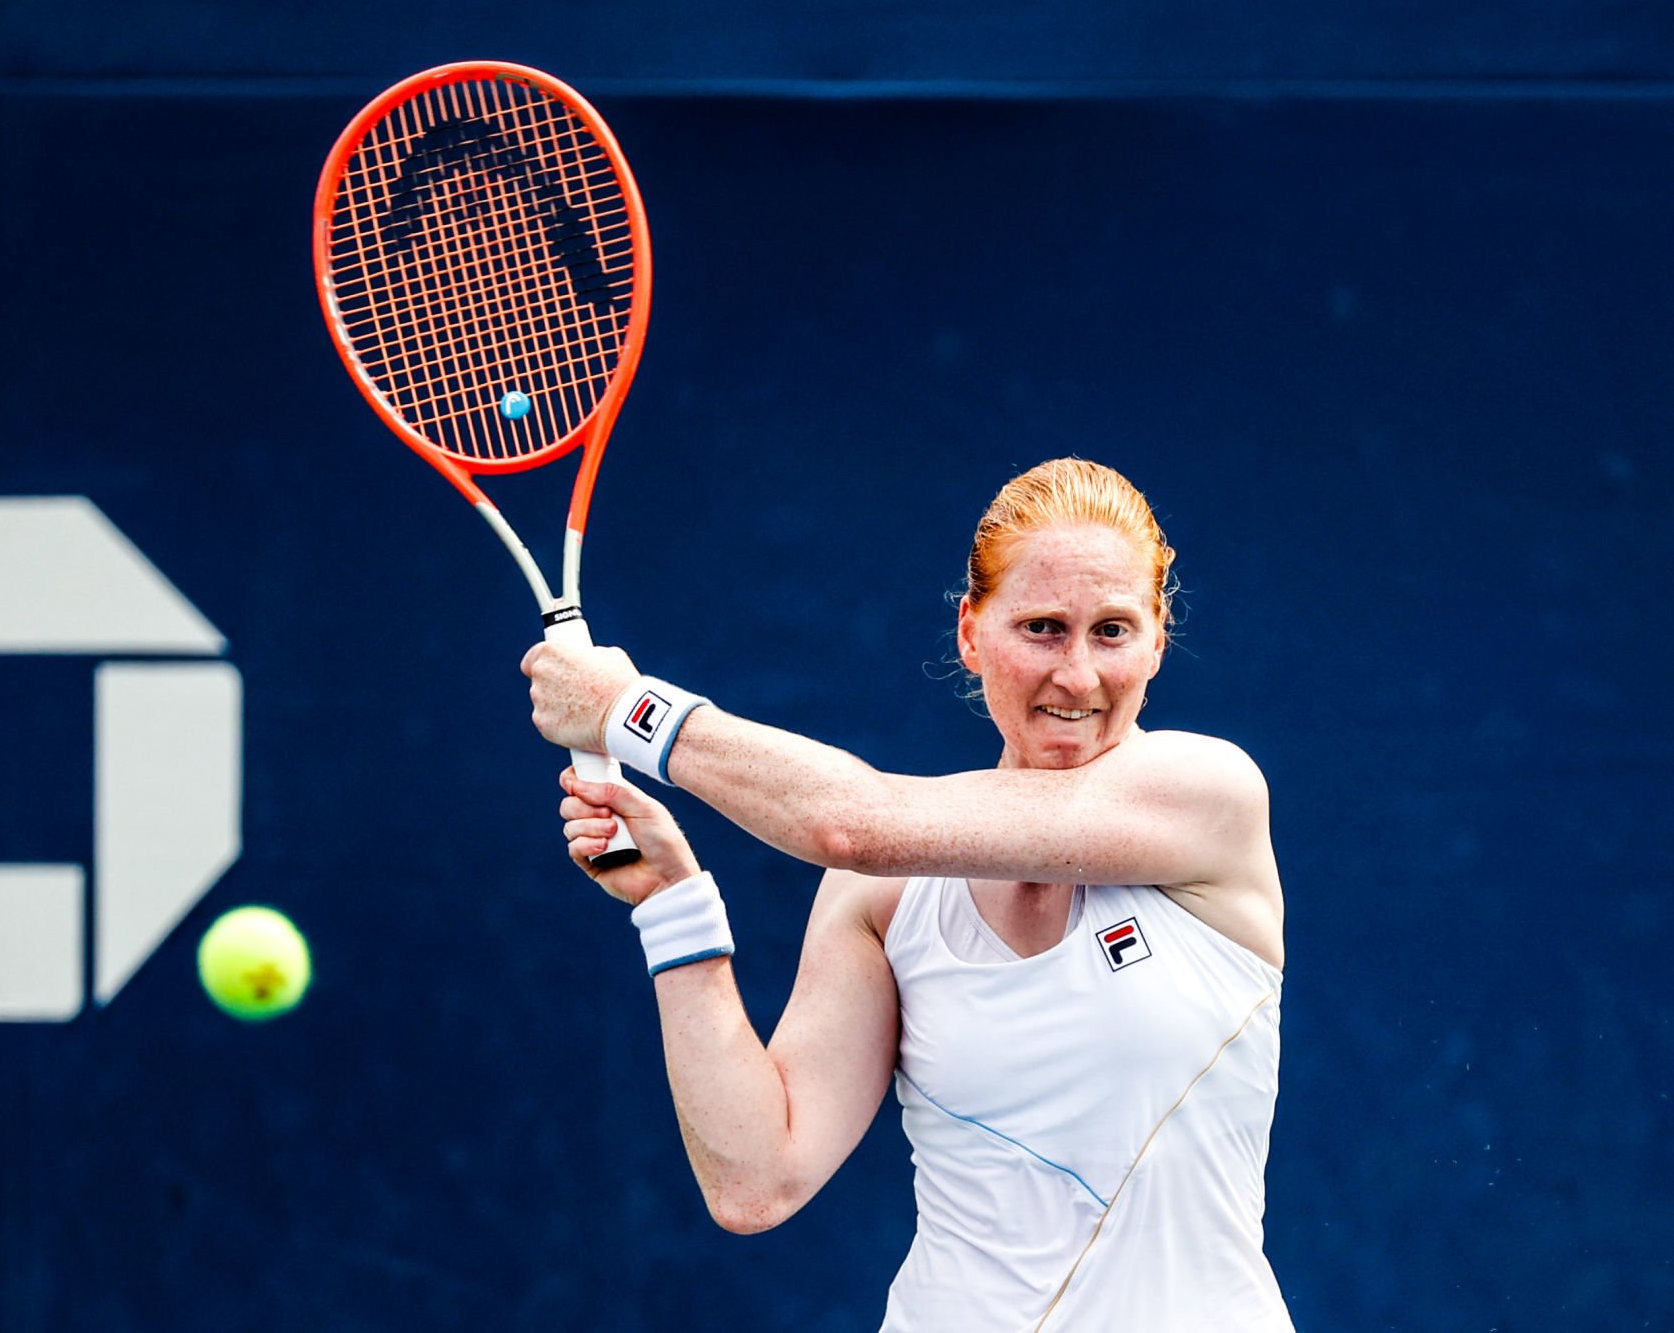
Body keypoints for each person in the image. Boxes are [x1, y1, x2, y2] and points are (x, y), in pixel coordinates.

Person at [520, 458, 1292, 1332]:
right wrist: (671, 905)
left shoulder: (1207, 795)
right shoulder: (879, 898)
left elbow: (850, 824)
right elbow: (757, 1180)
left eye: (1111, 631)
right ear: (970, 634)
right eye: (1041, 629)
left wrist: (626, 708)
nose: (1078, 675)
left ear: (1156, 640)